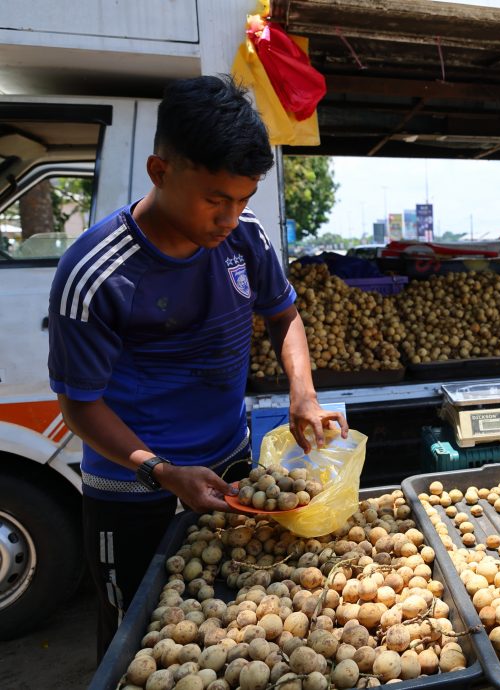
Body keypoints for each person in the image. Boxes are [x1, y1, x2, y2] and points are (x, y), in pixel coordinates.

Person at [47, 74, 346, 661]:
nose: (230, 216)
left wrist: (303, 393)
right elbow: (79, 404)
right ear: (161, 172)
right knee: (136, 642)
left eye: (243, 199)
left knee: (238, 628)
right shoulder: (96, 272)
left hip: (232, 470)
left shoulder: (246, 239)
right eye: (216, 199)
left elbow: (284, 314)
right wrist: (159, 469)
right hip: (133, 491)